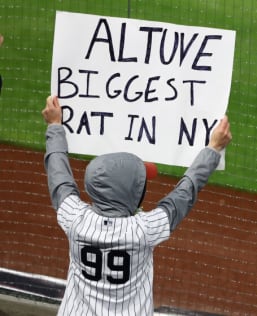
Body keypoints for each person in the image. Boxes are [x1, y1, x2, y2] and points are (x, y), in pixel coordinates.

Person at [42, 95, 232, 315]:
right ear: (130, 192)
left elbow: (59, 175)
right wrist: (213, 148)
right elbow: (185, 192)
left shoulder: (74, 218)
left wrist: (55, 126)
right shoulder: (144, 230)